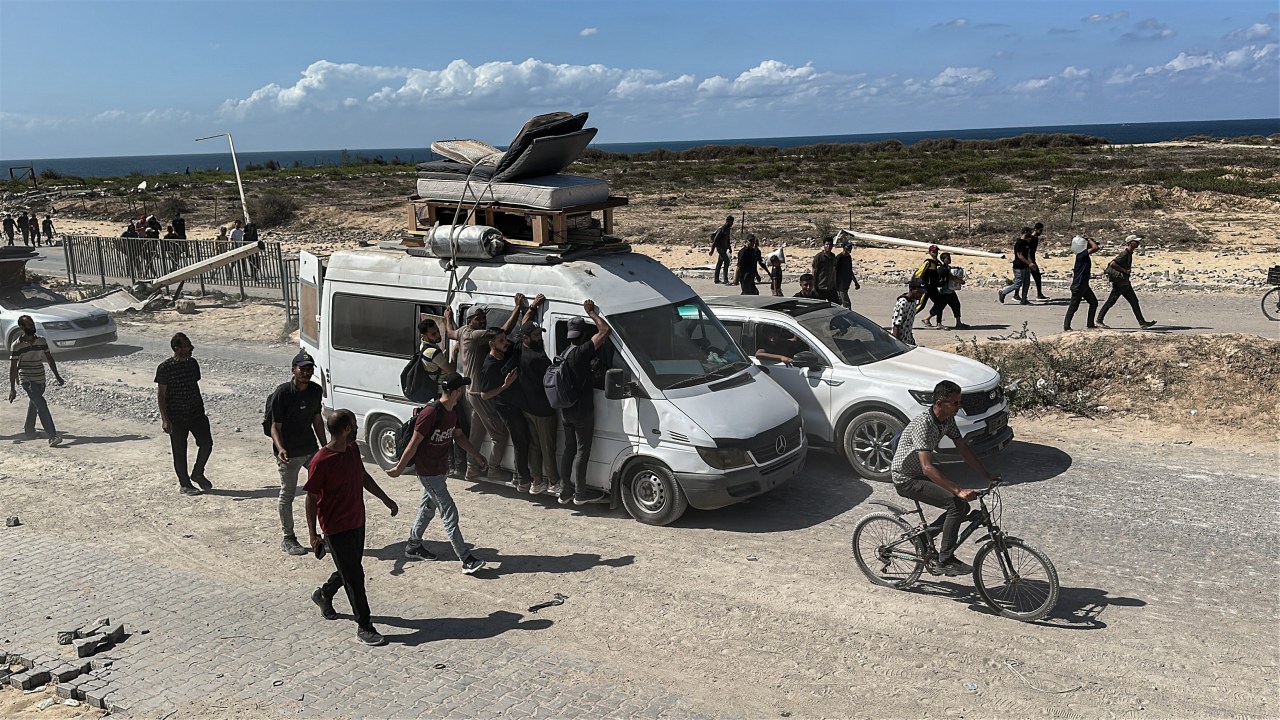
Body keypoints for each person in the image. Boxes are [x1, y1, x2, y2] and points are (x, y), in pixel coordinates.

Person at [305, 408, 399, 646]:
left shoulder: (353, 448)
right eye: (354, 424)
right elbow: (311, 498)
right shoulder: (321, 461)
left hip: (357, 520)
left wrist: (385, 499)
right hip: (335, 528)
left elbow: (363, 476)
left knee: (350, 568)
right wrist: (313, 534)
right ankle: (364, 626)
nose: (357, 428)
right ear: (346, 429)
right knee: (355, 576)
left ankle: (324, 594)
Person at [890, 380, 999, 576]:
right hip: (906, 478)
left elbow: (964, 449)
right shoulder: (923, 424)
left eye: (959, 402)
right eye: (955, 403)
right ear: (940, 403)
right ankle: (945, 559)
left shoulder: (947, 420)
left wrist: (986, 475)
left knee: (962, 506)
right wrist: (958, 490)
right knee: (955, 504)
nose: (959, 406)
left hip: (920, 473)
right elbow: (927, 467)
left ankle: (925, 537)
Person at [387, 372, 488, 574]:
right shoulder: (431, 413)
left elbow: (458, 437)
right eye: (462, 388)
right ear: (456, 391)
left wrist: (477, 456)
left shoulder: (453, 410)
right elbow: (413, 444)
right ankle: (466, 558)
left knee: (427, 508)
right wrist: (400, 468)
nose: (463, 392)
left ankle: (413, 545)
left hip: (440, 470)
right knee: (449, 511)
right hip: (428, 472)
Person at [445, 297, 522, 480]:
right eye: (478, 318)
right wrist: (518, 307)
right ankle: (494, 469)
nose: (482, 321)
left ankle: (472, 467)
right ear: (469, 321)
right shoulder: (475, 335)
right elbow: (504, 332)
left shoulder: (463, 332)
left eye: (483, 317)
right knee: (499, 435)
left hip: (472, 392)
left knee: (477, 432)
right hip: (480, 393)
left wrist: (448, 317)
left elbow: (449, 333)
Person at [270, 351, 328, 556]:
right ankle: (288, 538)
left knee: (323, 490)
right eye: (302, 368)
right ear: (293, 370)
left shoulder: (315, 390)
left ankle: (325, 534)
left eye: (309, 368)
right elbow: (275, 426)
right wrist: (281, 448)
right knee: (287, 494)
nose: (306, 372)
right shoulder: (283, 393)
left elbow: (317, 420)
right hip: (289, 453)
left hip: (310, 449)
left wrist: (326, 447)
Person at [559, 300, 611, 505]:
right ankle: (580, 493)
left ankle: (565, 491)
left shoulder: (563, 353)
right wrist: (591, 312)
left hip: (566, 410)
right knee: (582, 450)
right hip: (582, 411)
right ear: (582, 335)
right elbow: (604, 330)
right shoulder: (581, 352)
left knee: (569, 449)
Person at [155, 332, 213, 496]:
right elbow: (161, 394)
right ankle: (185, 483)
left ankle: (198, 473)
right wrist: (165, 419)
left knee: (206, 443)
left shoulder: (193, 364)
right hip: (176, 416)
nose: (191, 348)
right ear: (177, 348)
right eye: (187, 345)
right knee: (180, 451)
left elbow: (194, 385)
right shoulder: (165, 368)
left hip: (196, 413)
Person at [477, 326, 533, 491]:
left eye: (505, 338)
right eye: (501, 340)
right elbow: (484, 395)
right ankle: (522, 479)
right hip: (506, 407)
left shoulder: (508, 352)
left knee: (525, 439)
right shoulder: (489, 366)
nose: (505, 342)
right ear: (492, 343)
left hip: (519, 403)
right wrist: (504, 385)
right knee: (520, 441)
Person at [515, 320, 559, 495]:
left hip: (528, 408)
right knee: (548, 447)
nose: (539, 338)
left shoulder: (520, 351)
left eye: (540, 334)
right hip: (542, 410)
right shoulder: (538, 359)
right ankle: (554, 482)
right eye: (535, 335)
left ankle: (537, 480)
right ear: (525, 338)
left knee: (535, 446)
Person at [7, 314, 64, 446]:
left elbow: (49, 358)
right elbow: (13, 366)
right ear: (22, 327)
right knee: (41, 403)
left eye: (33, 324)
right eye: (29, 325)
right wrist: (12, 388)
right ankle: (52, 435)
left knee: (35, 402)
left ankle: (29, 431)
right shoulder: (17, 345)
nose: (32, 327)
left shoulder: (41, 341)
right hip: (26, 378)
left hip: (40, 377)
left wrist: (57, 376)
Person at [1097, 235, 1157, 329]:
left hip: (1125, 283)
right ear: (1129, 243)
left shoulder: (1129, 253)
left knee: (1134, 302)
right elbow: (1112, 264)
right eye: (1135, 242)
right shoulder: (1124, 254)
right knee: (1111, 302)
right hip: (1120, 283)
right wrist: (1125, 271)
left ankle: (1142, 322)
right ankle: (1099, 321)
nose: (1137, 243)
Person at [409, 318, 452, 404]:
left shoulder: (422, 346)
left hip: (436, 391)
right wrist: (454, 353)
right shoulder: (433, 352)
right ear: (424, 336)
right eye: (433, 334)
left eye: (438, 331)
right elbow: (451, 371)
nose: (438, 335)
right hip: (442, 391)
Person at [1063, 236, 1100, 332]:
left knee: (1094, 303)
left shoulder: (1083, 255)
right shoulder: (1081, 255)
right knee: (1073, 307)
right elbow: (1095, 248)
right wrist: (1089, 240)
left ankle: (1090, 324)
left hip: (1084, 285)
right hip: (1079, 286)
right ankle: (1066, 327)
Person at [929, 253, 967, 330]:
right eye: (948, 258)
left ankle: (958, 322)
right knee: (940, 307)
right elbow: (952, 278)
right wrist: (961, 282)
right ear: (943, 259)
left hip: (950, 291)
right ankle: (932, 321)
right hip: (944, 292)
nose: (950, 259)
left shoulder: (948, 268)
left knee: (956, 305)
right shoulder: (943, 269)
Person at [997, 227, 1035, 305]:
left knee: (1027, 283)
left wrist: (1031, 264)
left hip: (1026, 266)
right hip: (1019, 267)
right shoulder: (1019, 243)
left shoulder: (1026, 243)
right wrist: (1029, 263)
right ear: (1025, 232)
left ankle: (1024, 299)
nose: (1030, 233)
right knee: (1017, 284)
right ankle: (1003, 292)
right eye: (1029, 232)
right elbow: (1020, 255)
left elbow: (1028, 255)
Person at [890, 279, 926, 346]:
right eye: (919, 292)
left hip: (909, 341)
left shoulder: (914, 302)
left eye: (922, 293)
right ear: (911, 289)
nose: (920, 295)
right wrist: (898, 345)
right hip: (900, 341)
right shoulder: (902, 303)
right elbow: (896, 325)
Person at [914, 245, 944, 322]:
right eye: (933, 251)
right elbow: (918, 273)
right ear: (930, 252)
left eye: (936, 251)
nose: (935, 253)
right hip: (926, 288)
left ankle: (935, 321)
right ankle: (906, 318)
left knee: (940, 302)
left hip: (932, 287)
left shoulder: (937, 262)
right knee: (921, 306)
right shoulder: (928, 262)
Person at [811, 236, 841, 303]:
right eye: (827, 244)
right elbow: (814, 272)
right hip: (820, 287)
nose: (828, 246)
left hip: (830, 287)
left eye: (830, 244)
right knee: (820, 307)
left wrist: (835, 285)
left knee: (836, 305)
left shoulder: (833, 256)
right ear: (823, 245)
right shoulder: (818, 257)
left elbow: (834, 271)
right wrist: (813, 287)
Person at [709, 215, 734, 284]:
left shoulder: (728, 229)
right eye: (731, 222)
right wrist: (712, 250)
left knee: (719, 263)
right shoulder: (722, 229)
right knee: (726, 261)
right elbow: (716, 240)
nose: (732, 223)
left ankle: (716, 279)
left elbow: (727, 239)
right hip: (720, 248)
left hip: (724, 248)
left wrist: (729, 248)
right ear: (727, 221)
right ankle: (725, 280)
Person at [835, 240, 860, 308]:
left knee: (839, 302)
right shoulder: (839, 258)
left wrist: (855, 282)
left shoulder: (848, 257)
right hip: (840, 284)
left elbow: (850, 270)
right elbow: (833, 270)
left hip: (846, 283)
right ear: (843, 247)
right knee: (847, 304)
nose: (850, 249)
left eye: (850, 247)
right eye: (848, 247)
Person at [1028, 222, 1049, 300]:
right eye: (1040, 230)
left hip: (1032, 260)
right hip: (1029, 261)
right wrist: (1030, 263)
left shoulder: (1035, 238)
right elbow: (1028, 252)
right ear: (1035, 229)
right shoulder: (1031, 238)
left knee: (1037, 277)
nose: (1041, 232)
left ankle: (1039, 294)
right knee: (1024, 279)